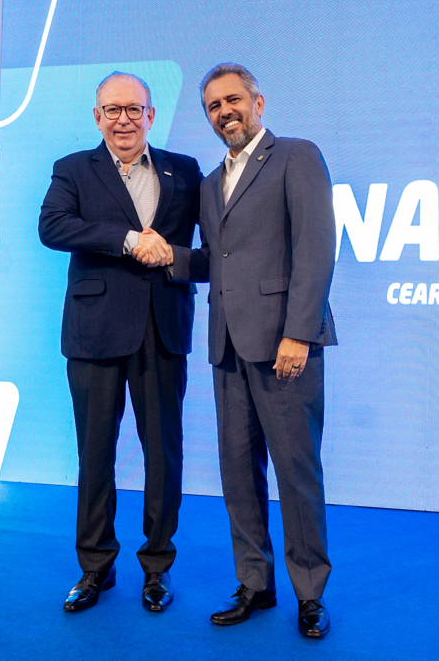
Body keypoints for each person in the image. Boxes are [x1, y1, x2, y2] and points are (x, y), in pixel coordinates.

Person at [137, 63, 336, 638]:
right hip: (226, 346)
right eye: (213, 106)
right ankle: (255, 583)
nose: (225, 112)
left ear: (258, 102)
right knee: (238, 474)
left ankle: (310, 594)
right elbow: (216, 262)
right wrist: (168, 255)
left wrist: (299, 333)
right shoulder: (208, 184)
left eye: (233, 100)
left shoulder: (296, 156)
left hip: (284, 346)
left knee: (296, 473)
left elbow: (316, 248)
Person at [38, 71, 201, 614]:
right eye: (112, 109)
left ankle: (157, 567)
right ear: (97, 116)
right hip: (94, 332)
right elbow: (52, 227)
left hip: (163, 329)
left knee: (164, 454)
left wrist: (174, 255)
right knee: (95, 453)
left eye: (134, 109)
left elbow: (214, 246)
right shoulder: (72, 169)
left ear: (151, 115)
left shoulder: (185, 170)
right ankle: (95, 568)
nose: (123, 119)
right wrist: (130, 240)